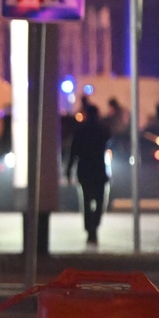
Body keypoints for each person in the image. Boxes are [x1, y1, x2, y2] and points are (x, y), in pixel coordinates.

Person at [66, 102, 111, 246]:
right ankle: (94, 227)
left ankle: (89, 228)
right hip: (98, 170)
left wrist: (68, 170)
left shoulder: (80, 131)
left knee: (86, 201)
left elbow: (73, 153)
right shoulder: (102, 130)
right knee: (99, 201)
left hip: (84, 170)